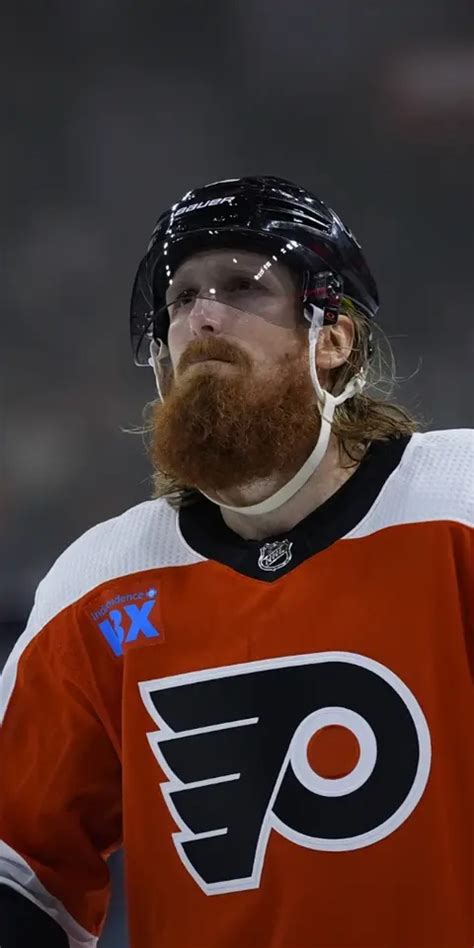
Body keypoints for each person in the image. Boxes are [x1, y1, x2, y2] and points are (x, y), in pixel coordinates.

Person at [0, 175, 472, 948]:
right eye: (182, 298)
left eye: (243, 287)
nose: (203, 317)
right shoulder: (101, 583)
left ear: (333, 337)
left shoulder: (461, 504)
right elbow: (20, 868)